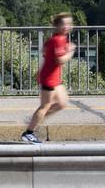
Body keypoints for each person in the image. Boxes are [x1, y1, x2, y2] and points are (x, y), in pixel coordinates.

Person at [21, 13, 75, 144]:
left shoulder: (57, 38)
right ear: (57, 25)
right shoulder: (58, 40)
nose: (67, 26)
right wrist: (71, 51)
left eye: (69, 23)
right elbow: (60, 60)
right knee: (45, 106)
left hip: (54, 78)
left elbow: (44, 51)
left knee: (62, 103)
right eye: (64, 24)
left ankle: (35, 121)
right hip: (49, 79)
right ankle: (29, 133)